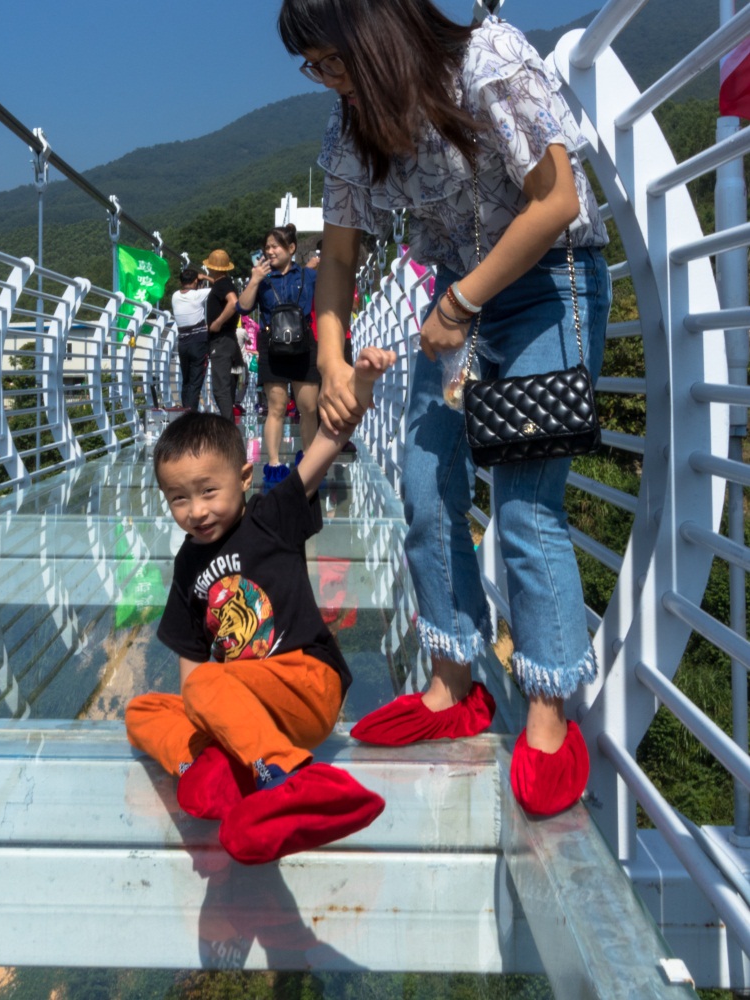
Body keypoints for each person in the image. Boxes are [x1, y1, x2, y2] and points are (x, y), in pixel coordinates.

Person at [278, 0, 611, 816]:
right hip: (455, 301)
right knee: (425, 489)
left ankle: (547, 709)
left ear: (372, 33)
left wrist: (459, 304)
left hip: (542, 284)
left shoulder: (487, 59)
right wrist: (329, 360)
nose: (326, 80)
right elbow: (340, 257)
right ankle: (452, 682)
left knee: (526, 506)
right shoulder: (349, 123)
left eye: (328, 59)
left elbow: (557, 199)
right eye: (313, 66)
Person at [124, 346, 396, 865]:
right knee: (143, 710)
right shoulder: (187, 569)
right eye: (179, 499)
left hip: (304, 682)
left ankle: (294, 779)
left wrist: (359, 382)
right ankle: (220, 772)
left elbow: (330, 439)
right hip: (246, 710)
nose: (196, 511)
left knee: (203, 684)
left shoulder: (272, 517)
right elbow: (190, 666)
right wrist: (206, 725)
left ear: (244, 479)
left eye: (208, 491)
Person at [238, 225, 319, 486]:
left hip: (303, 346)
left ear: (291, 248)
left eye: (275, 246)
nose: (269, 251)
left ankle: (309, 460)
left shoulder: (309, 276)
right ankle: (273, 465)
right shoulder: (262, 278)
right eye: (267, 247)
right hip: (272, 347)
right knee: (276, 408)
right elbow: (244, 307)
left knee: (308, 407)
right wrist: (254, 279)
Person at [202, 250, 241, 420]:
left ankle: (228, 430)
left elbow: (233, 302)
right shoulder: (224, 282)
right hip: (228, 341)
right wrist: (206, 278)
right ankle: (229, 428)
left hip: (221, 341)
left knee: (220, 389)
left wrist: (217, 322)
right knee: (225, 387)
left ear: (212, 267)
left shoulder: (222, 285)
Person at [171, 267, 212, 409]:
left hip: (183, 343)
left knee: (186, 381)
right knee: (196, 382)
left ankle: (185, 412)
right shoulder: (198, 295)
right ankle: (190, 415)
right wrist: (206, 278)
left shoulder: (175, 295)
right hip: (198, 343)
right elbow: (221, 287)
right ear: (195, 281)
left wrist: (197, 279)